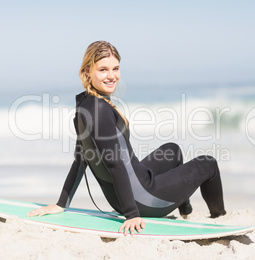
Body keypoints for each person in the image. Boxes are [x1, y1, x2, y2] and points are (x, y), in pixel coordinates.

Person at [27, 41, 226, 236]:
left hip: (134, 187)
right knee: (208, 164)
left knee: (172, 150)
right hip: (144, 200)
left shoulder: (85, 106)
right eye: (103, 69)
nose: (112, 76)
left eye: (116, 68)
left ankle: (185, 209)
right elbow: (115, 164)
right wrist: (132, 214)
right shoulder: (99, 110)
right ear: (87, 71)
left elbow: (81, 159)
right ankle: (220, 217)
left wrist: (62, 204)